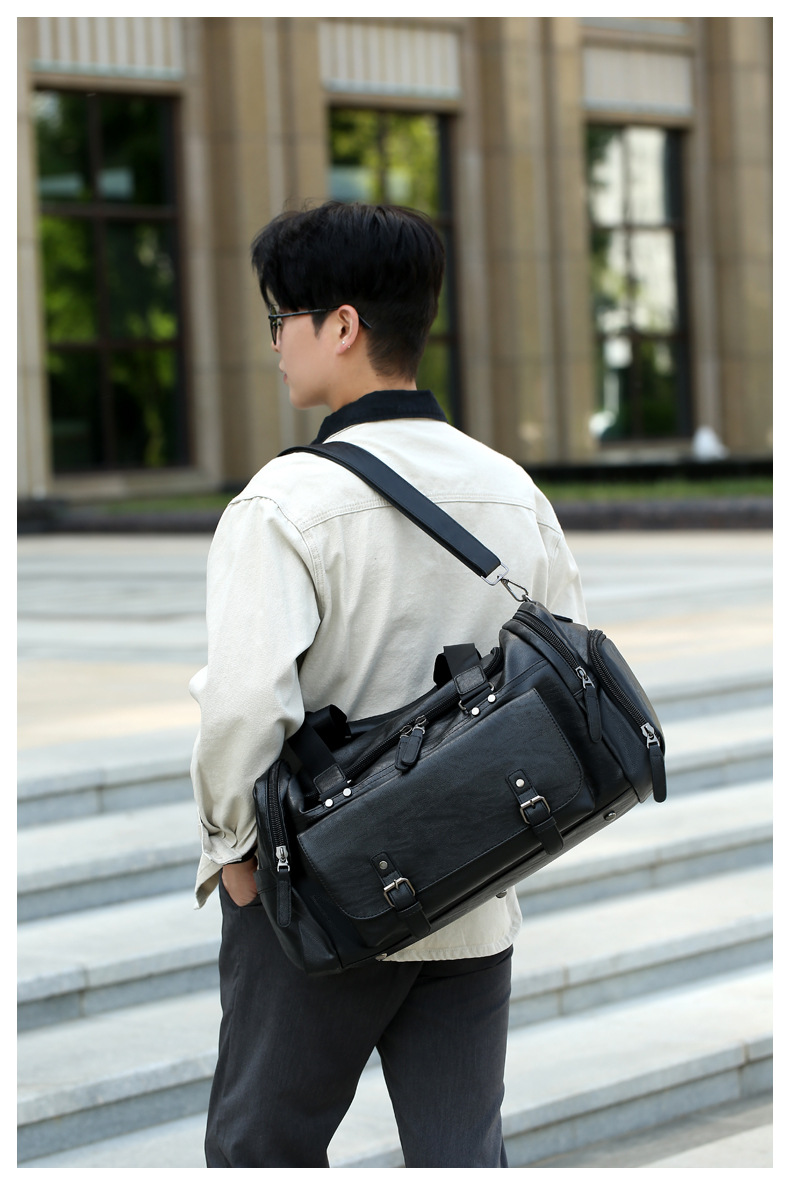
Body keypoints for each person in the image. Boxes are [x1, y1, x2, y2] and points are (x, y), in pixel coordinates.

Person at [189, 201, 587, 1168]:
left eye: (281, 317)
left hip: (316, 897)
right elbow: (565, 676)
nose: (275, 343)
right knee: (462, 1157)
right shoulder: (511, 490)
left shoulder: (285, 502)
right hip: (469, 891)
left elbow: (244, 705)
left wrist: (233, 852)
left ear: (341, 325)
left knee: (261, 1152)